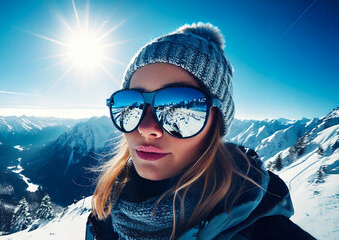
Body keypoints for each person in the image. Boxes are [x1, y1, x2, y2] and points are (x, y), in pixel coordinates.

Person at [85, 22, 314, 240]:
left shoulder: (269, 233)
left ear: (217, 123)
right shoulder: (104, 214)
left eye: (179, 108)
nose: (146, 127)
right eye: (131, 104)